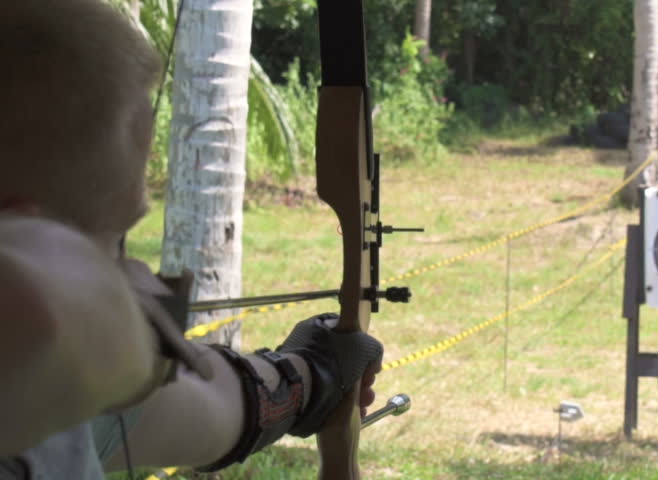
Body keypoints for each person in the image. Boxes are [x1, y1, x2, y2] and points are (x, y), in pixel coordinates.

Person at [0, 0, 383, 478]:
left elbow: (206, 404)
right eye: (113, 240)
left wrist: (315, 375)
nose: (131, 268)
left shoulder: (52, 401)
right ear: (27, 237)